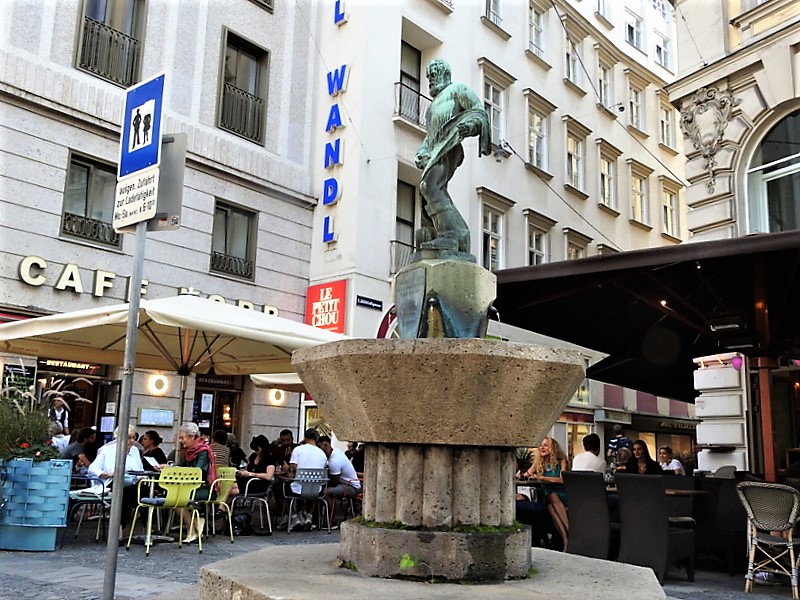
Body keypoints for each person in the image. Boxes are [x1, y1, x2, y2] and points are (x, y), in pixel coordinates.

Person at [414, 58, 491, 254]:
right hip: (435, 149)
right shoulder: (433, 105)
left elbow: (478, 112)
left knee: (430, 187)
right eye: (428, 76)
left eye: (433, 74)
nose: (430, 79)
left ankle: (448, 235)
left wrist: (470, 127)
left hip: (449, 146)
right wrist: (422, 151)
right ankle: (460, 233)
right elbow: (431, 135)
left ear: (444, 74)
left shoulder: (458, 90)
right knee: (431, 189)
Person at [87, 424, 143, 540]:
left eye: (134, 437)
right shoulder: (107, 450)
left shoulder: (135, 451)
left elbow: (140, 470)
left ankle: (147, 528)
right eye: (129, 437)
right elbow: (92, 469)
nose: (132, 441)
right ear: (119, 437)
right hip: (110, 483)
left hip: (132, 483)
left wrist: (139, 477)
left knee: (145, 492)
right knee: (123, 494)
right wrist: (106, 474)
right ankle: (119, 530)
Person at [521, 436, 570, 551]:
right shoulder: (539, 462)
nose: (542, 448)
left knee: (552, 500)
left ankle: (569, 533)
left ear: (552, 448)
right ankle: (566, 539)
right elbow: (527, 474)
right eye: (540, 445)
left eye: (545, 445)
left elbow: (562, 480)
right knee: (550, 503)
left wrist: (543, 478)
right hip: (549, 496)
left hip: (562, 493)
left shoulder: (562, 461)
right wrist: (522, 474)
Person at [174, 422, 218, 543]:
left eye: (182, 437)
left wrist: (178, 470)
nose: (181, 441)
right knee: (174, 498)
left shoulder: (203, 451)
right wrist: (169, 468)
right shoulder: (190, 451)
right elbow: (181, 466)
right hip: (192, 488)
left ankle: (192, 530)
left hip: (206, 489)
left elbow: (197, 471)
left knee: (177, 500)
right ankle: (195, 525)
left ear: (192, 436)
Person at [286, 428, 328, 530]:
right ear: (317, 439)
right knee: (314, 485)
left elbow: (292, 467)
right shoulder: (322, 454)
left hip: (298, 489)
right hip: (316, 490)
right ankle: (309, 517)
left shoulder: (298, 450)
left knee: (280, 490)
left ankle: (295, 518)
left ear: (305, 437)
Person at [318, 435, 362, 527]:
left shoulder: (334, 461)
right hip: (347, 483)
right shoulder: (336, 452)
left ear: (325, 445)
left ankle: (330, 521)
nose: (318, 450)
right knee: (325, 489)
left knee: (325, 492)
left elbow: (334, 481)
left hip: (352, 487)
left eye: (319, 447)